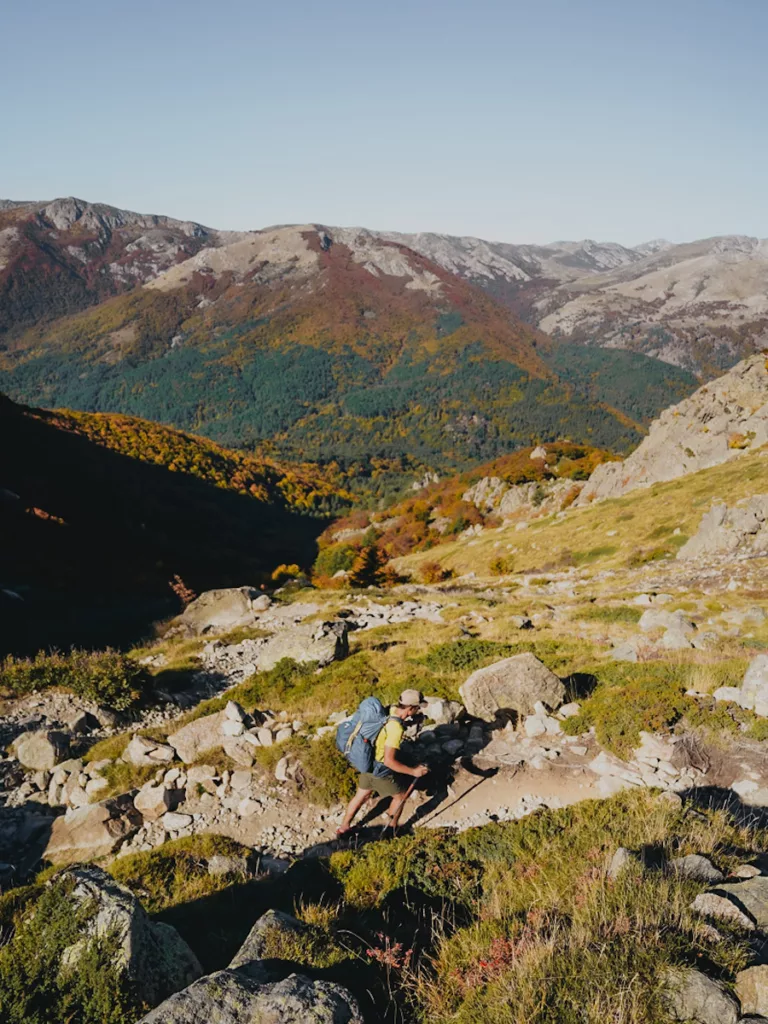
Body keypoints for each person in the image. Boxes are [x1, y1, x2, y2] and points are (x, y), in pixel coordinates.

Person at [337, 688, 429, 835]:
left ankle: (343, 828)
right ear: (411, 708)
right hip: (381, 769)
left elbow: (388, 725)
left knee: (361, 795)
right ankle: (390, 831)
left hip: (367, 762)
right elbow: (389, 761)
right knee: (400, 797)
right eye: (417, 708)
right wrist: (414, 771)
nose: (418, 711)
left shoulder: (390, 710)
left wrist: (410, 721)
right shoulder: (396, 729)